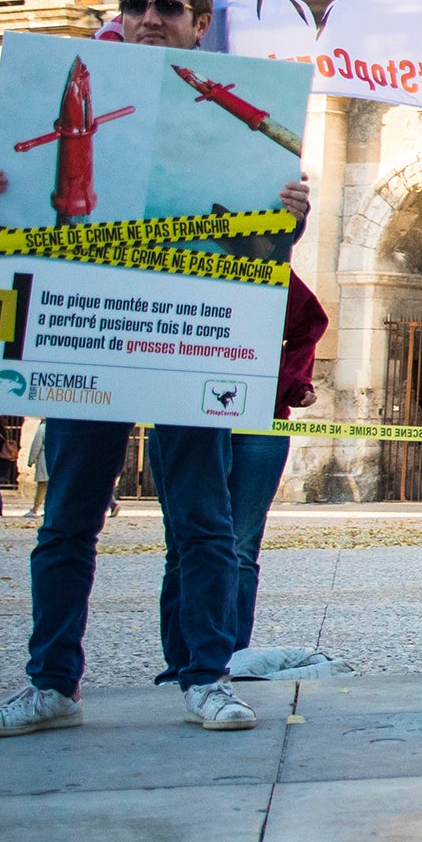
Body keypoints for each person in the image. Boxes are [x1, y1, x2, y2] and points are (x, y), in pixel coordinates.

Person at [0, 0, 312, 740]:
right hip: (90, 341)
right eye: (136, 7)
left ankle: (207, 675)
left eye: (167, 8)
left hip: (183, 346)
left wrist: (287, 213)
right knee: (66, 524)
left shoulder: (241, 112)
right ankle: (50, 683)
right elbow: (13, 221)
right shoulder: (54, 90)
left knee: (203, 523)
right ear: (119, 17)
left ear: (198, 22)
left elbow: (258, 249)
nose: (149, 18)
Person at [159, 268, 325, 671]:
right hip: (183, 412)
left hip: (258, 418)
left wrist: (288, 380)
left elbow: (310, 320)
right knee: (183, 545)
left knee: (240, 547)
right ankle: (183, 664)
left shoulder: (264, 265)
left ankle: (227, 660)